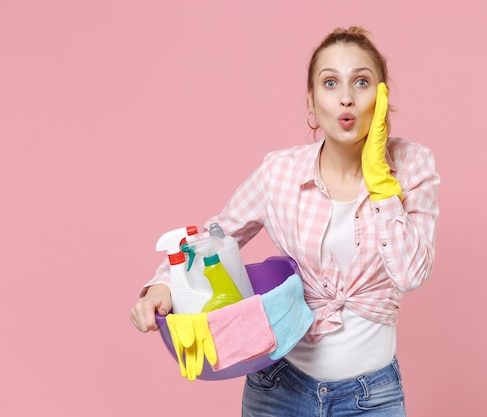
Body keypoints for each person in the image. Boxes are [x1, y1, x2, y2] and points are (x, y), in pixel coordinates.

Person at [129, 26, 439, 416]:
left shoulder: (413, 166)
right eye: (330, 83)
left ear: (381, 98)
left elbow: (410, 274)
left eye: (361, 82)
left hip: (371, 395)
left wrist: (380, 179)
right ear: (311, 102)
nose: (346, 98)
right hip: (279, 389)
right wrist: (162, 286)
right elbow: (217, 233)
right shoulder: (279, 172)